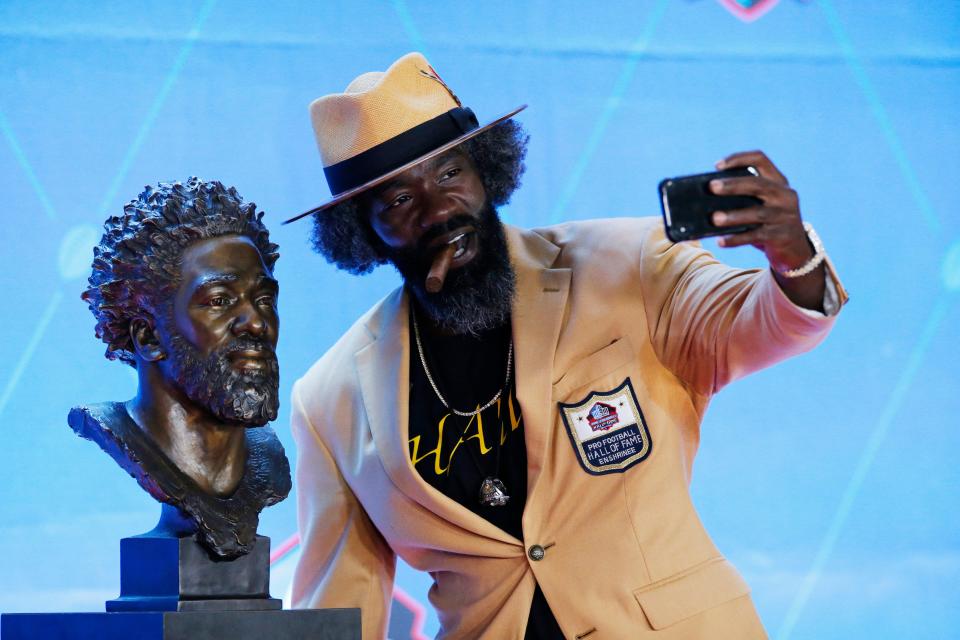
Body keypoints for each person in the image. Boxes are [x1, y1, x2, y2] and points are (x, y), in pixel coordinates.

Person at [287, 52, 846, 638]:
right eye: (399, 201)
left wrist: (793, 258)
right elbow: (338, 607)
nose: (439, 210)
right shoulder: (329, 400)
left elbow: (763, 323)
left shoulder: (628, 264)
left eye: (450, 173)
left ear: (486, 170)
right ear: (362, 233)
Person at [74, 177, 290, 559]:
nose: (256, 323)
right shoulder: (118, 430)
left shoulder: (266, 459)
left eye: (263, 299)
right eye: (220, 300)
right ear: (148, 337)